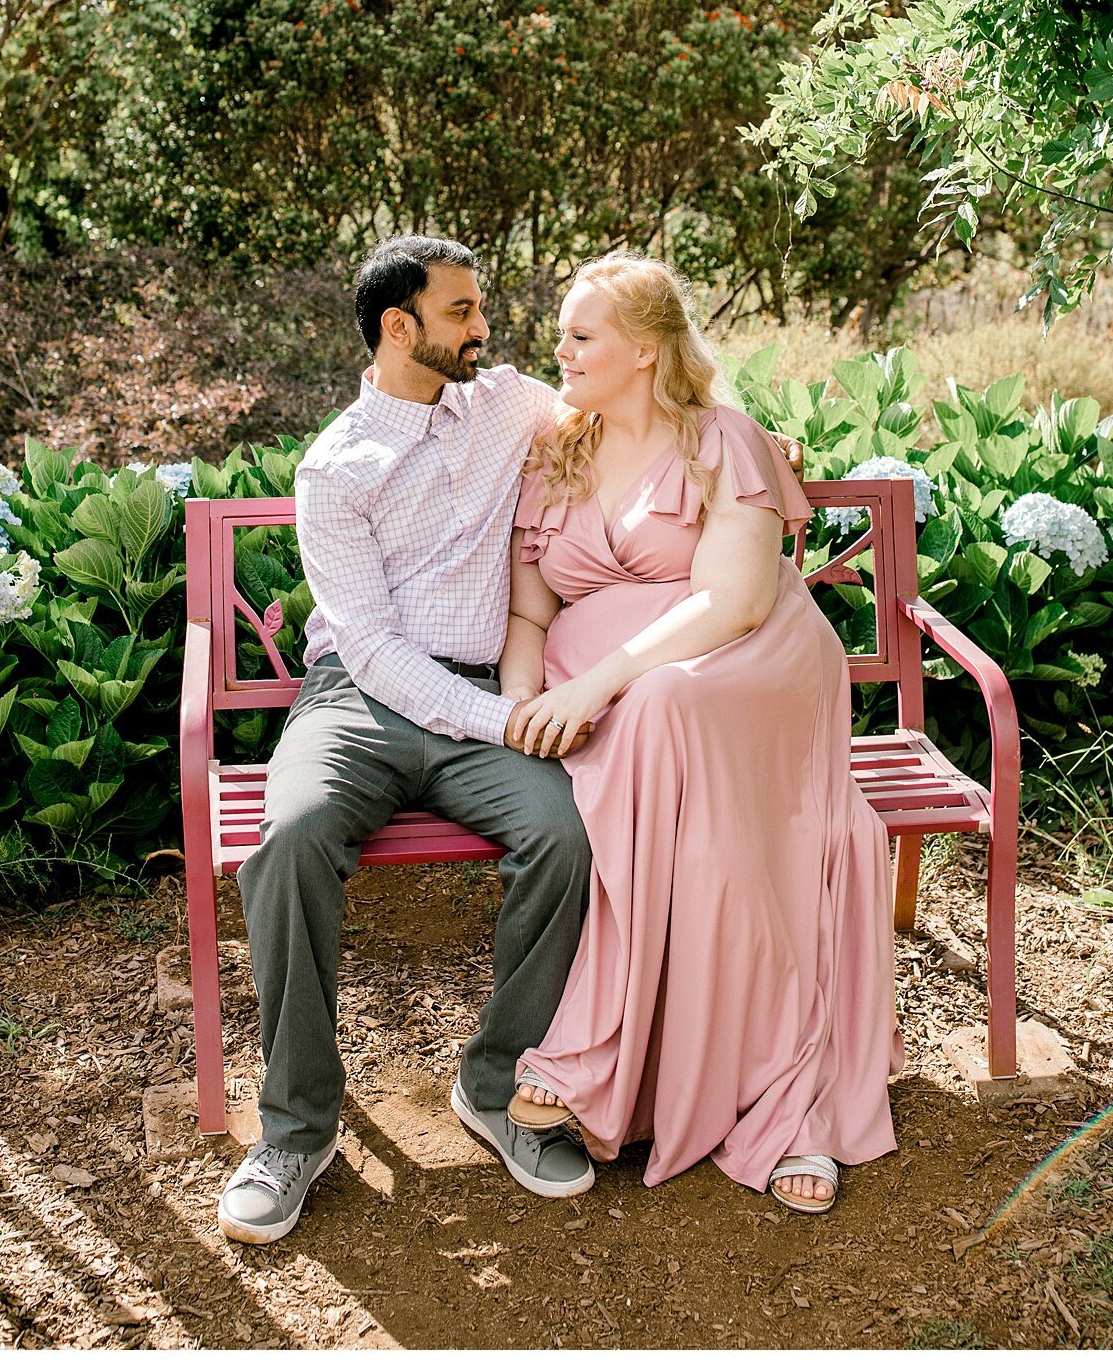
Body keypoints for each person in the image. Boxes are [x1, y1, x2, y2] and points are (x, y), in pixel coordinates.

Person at [218, 236, 803, 1245]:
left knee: (568, 836)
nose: (483, 327)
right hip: (360, 702)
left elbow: (650, 394)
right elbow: (375, 651)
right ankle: (296, 1128)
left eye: (479, 307)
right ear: (399, 328)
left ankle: (496, 1081)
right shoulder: (335, 468)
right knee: (290, 837)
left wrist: (758, 442)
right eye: (460, 312)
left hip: (488, 693)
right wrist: (516, 718)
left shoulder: (513, 405)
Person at [501, 252, 902, 1213]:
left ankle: (645, 1061)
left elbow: (733, 600)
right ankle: (648, 1066)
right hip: (611, 697)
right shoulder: (551, 453)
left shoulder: (722, 437)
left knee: (668, 708)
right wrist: (517, 705)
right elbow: (525, 617)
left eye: (580, 334)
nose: (560, 350)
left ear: (644, 350)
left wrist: (596, 683)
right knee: (671, 757)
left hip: (743, 667)